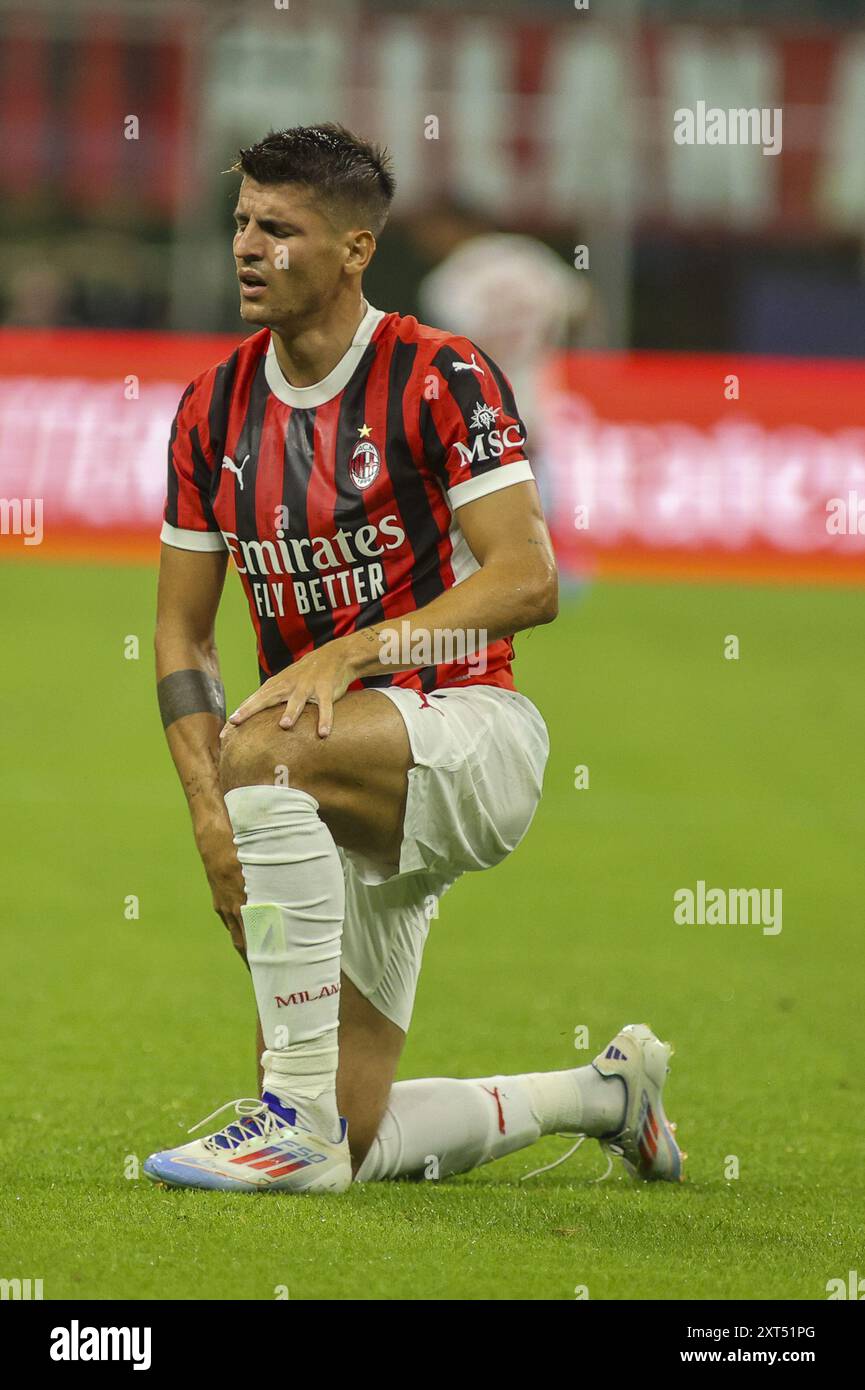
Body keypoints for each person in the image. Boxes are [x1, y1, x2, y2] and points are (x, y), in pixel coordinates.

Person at [145, 124, 683, 1193]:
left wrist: (356, 652)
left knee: (263, 748)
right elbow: (181, 631)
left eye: (281, 228)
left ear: (354, 249)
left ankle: (284, 1122)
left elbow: (527, 581)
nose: (249, 246)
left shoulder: (440, 374)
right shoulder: (212, 410)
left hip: (467, 734)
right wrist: (210, 813)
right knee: (360, 1136)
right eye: (242, 220)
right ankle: (603, 1095)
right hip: (324, 779)